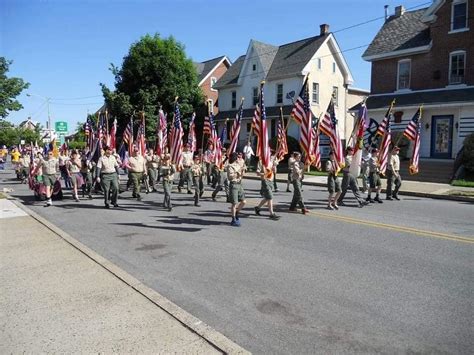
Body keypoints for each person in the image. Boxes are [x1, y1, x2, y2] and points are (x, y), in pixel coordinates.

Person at [227, 152, 246, 227]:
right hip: (234, 184)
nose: (239, 158)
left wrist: (243, 170)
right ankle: (233, 218)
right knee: (234, 203)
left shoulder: (239, 165)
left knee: (244, 201)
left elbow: (242, 175)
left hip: (239, 184)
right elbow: (230, 177)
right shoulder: (230, 166)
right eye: (237, 157)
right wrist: (238, 172)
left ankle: (237, 212)